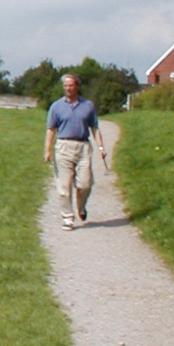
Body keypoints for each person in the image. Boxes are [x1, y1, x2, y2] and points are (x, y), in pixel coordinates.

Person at [44, 74, 106, 231]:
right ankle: (67, 218)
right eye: (65, 86)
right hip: (64, 146)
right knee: (64, 186)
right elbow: (51, 129)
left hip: (83, 146)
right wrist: (48, 150)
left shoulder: (88, 105)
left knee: (85, 184)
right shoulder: (56, 106)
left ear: (77, 86)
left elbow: (94, 127)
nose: (67, 88)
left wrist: (101, 147)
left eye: (70, 85)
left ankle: (81, 207)